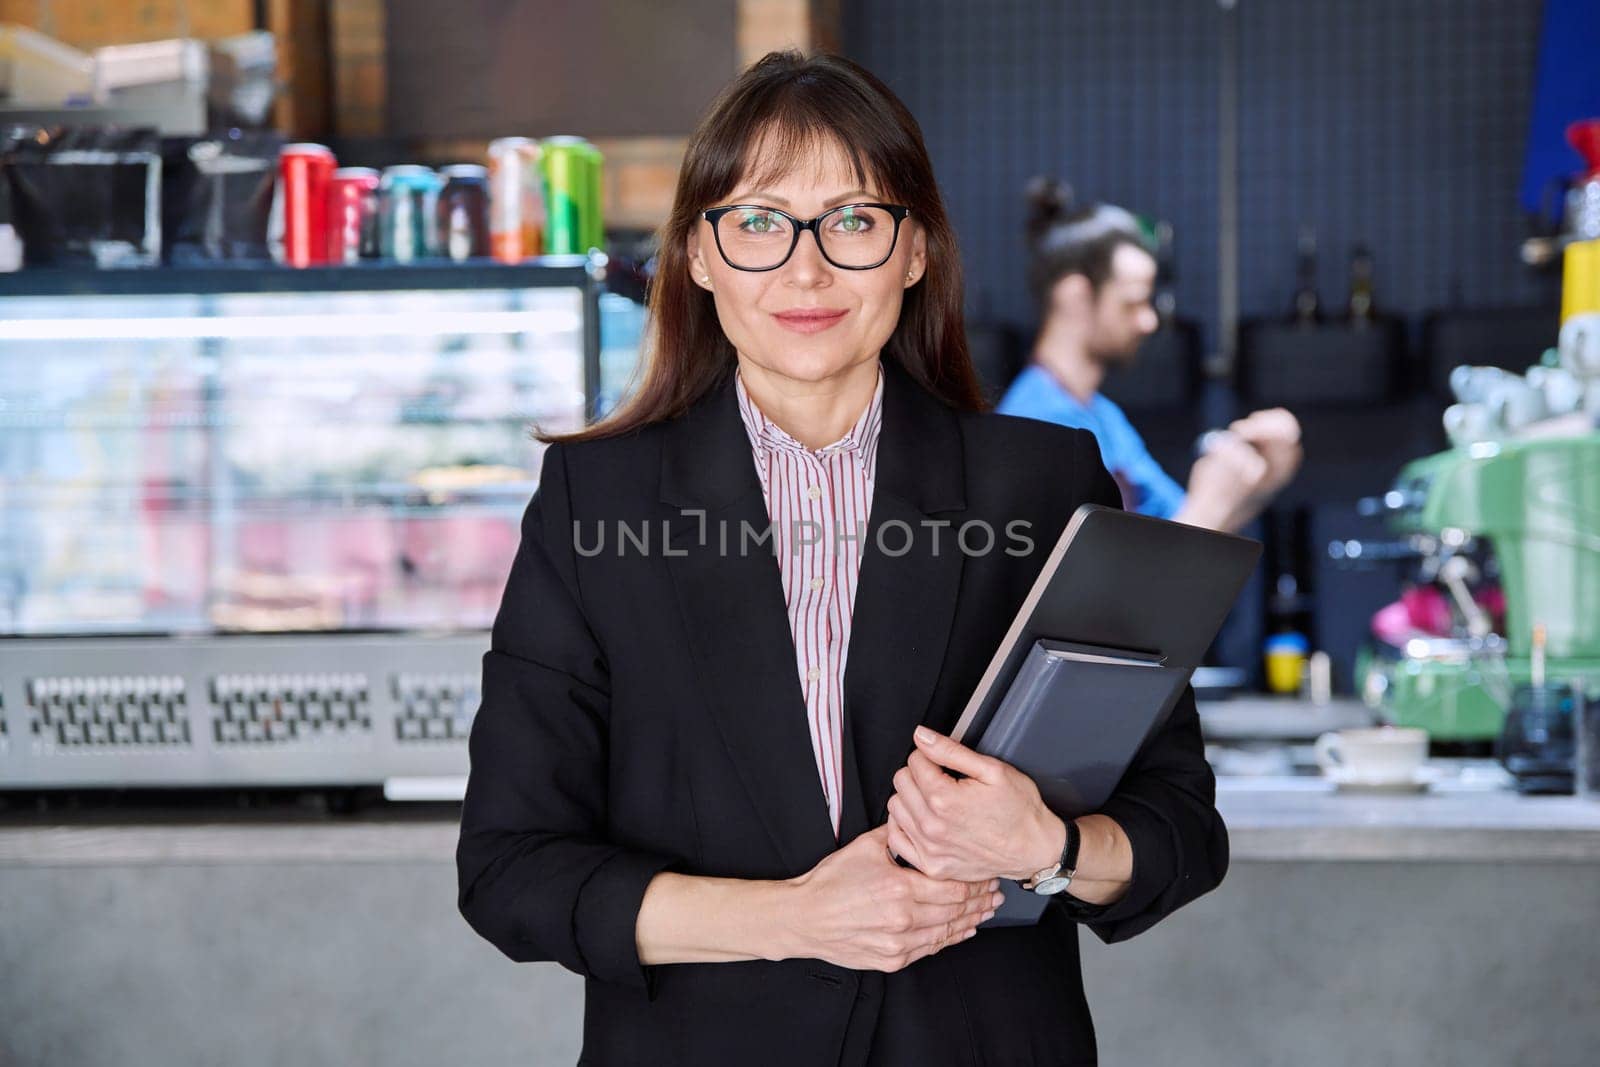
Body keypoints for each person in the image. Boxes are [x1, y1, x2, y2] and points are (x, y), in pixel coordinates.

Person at [457, 51, 1226, 1067]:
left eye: (854, 222)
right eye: (759, 223)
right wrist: (795, 917)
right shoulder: (595, 505)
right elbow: (512, 870)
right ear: (697, 254)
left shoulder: (1036, 482)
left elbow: (1179, 826)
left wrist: (1048, 845)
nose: (806, 270)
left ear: (913, 253)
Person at [995, 179, 1302, 534]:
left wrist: (1258, 483)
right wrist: (1209, 497)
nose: (1149, 321)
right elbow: (1097, 589)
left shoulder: (1104, 417)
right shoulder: (1034, 427)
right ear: (1076, 295)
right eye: (1133, 303)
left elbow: (1184, 533)